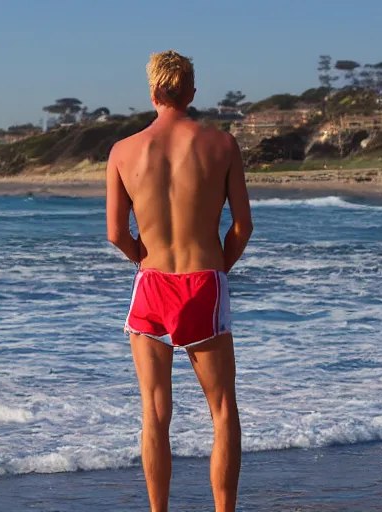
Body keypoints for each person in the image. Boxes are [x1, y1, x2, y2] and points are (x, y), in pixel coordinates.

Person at [106, 50, 253, 512]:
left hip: (151, 284)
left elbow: (115, 233)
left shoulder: (123, 151)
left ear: (152, 94)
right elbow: (242, 227)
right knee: (223, 411)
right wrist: (218, 268)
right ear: (191, 92)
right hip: (202, 280)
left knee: (155, 414)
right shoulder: (222, 145)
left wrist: (143, 260)